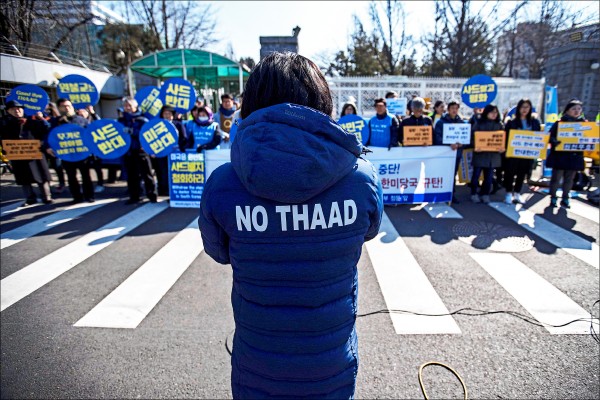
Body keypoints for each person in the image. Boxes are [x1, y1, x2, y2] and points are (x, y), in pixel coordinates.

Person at [198, 52, 383, 399]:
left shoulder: (224, 182)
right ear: (322, 101)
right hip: (331, 363)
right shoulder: (361, 178)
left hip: (258, 360)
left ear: (251, 103)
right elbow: (368, 232)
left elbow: (218, 251)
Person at [0, 100, 53, 205]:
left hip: (35, 152)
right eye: (13, 109)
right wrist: (6, 150)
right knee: (23, 177)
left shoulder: (32, 120)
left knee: (41, 175)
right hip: (17, 154)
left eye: (19, 108)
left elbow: (46, 129)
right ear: (8, 111)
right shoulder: (4, 123)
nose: (17, 111)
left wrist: (41, 118)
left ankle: (46, 196)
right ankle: (30, 198)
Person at [49, 98, 95, 203]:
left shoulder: (81, 120)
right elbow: (49, 136)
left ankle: (89, 196)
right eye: (63, 106)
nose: (66, 108)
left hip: (82, 153)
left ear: (72, 107)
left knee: (86, 176)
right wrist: (48, 147)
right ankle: (77, 197)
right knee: (71, 177)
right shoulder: (55, 122)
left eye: (68, 106)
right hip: (67, 154)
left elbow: (90, 134)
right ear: (59, 108)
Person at [547, 99, 587, 209]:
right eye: (574, 109)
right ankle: (553, 197)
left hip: (574, 155)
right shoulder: (560, 123)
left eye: (579, 109)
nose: (576, 111)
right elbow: (549, 136)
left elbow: (589, 138)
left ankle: (565, 197)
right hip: (560, 155)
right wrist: (554, 141)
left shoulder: (584, 124)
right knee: (556, 178)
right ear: (567, 110)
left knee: (569, 179)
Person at [118, 97, 157, 204]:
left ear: (136, 107)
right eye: (126, 106)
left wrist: (133, 131)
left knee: (147, 175)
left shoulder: (142, 119)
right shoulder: (121, 120)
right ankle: (134, 196)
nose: (127, 108)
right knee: (131, 176)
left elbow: (146, 133)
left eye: (130, 105)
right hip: (128, 152)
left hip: (141, 151)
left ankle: (152, 195)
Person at [503, 99, 542, 204]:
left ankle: (517, 193)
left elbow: (539, 137)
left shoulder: (534, 122)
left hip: (527, 153)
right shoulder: (512, 122)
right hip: (513, 152)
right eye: (522, 107)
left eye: (527, 107)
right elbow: (505, 137)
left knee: (522, 173)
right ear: (518, 108)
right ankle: (508, 193)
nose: (525, 109)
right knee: (510, 173)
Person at [469, 104, 504, 204]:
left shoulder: (499, 125)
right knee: (476, 176)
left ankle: (485, 194)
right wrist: (476, 146)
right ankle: (474, 193)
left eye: (496, 112)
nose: (494, 114)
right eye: (492, 112)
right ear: (486, 113)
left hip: (492, 156)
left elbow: (502, 140)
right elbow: (472, 138)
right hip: (480, 154)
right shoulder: (479, 123)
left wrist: (502, 148)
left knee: (488, 178)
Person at [433, 99, 466, 203]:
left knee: (453, 174)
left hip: (456, 153)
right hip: (444, 153)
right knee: (442, 173)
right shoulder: (441, 122)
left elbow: (465, 138)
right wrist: (448, 144)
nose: (454, 110)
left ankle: (451, 194)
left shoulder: (461, 122)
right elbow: (437, 138)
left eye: (456, 108)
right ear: (448, 109)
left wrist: (462, 144)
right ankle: (440, 194)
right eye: (452, 108)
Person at [152, 105, 184, 196]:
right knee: (161, 172)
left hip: (175, 154)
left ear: (173, 115)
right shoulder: (157, 125)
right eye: (165, 113)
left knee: (174, 173)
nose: (167, 115)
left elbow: (184, 138)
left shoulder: (178, 124)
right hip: (161, 154)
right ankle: (163, 191)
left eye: (169, 113)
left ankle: (173, 193)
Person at [77, 105, 106, 194]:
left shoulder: (92, 120)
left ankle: (100, 184)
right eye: (79, 113)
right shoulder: (77, 122)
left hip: (94, 149)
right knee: (84, 169)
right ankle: (86, 186)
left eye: (83, 112)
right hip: (83, 149)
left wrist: (93, 112)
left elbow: (100, 124)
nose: (81, 114)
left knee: (97, 167)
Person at [43, 101, 66, 193]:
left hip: (54, 145)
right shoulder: (37, 115)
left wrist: (53, 108)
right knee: (44, 167)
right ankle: (46, 185)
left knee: (57, 165)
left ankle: (62, 183)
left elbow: (59, 121)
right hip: (42, 145)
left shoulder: (54, 118)